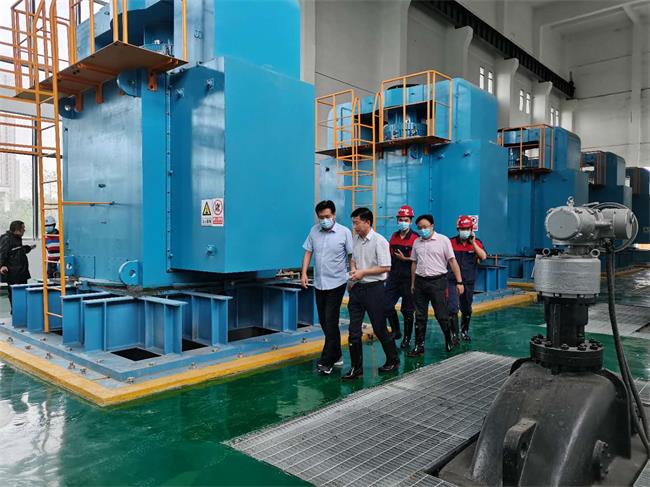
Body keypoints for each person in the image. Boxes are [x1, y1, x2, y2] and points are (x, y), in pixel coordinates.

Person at [344, 207, 399, 380]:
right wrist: (354, 272)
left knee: (379, 328)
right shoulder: (355, 239)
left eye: (356, 223)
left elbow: (385, 267)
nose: (354, 226)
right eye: (353, 223)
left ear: (367, 222)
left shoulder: (379, 241)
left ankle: (393, 359)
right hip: (357, 289)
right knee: (353, 331)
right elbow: (353, 259)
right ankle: (356, 369)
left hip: (375, 289)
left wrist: (363, 272)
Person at [301, 200, 354, 375]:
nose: (324, 220)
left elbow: (351, 255)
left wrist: (352, 275)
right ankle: (337, 355)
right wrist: (304, 273)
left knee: (331, 320)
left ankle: (327, 360)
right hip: (320, 283)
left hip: (337, 282)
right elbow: (308, 252)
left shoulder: (344, 232)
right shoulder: (314, 231)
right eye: (321, 217)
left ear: (334, 215)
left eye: (327, 216)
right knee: (324, 321)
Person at [409, 214, 464, 355]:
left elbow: (452, 261)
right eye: (419, 227)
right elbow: (414, 263)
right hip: (420, 282)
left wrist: (459, 282)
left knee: (441, 314)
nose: (422, 230)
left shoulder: (443, 240)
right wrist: (413, 283)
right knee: (419, 316)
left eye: (425, 227)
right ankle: (419, 346)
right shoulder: (416, 242)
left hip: (438, 282)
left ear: (432, 226)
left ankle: (448, 339)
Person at [447, 215, 487, 342]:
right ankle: (454, 335)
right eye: (462, 229)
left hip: (468, 281)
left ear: (471, 230)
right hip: (452, 281)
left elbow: (483, 257)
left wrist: (473, 243)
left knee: (466, 308)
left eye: (467, 229)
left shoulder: (477, 243)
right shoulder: (450, 242)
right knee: (452, 307)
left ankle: (464, 331)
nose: (464, 231)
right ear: (458, 229)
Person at [385, 205, 418, 349]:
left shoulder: (416, 238)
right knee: (386, 305)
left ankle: (407, 338)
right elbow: (390, 256)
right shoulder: (394, 236)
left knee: (407, 311)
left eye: (406, 220)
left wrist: (405, 259)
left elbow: (419, 260)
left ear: (411, 221)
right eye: (400, 220)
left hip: (409, 279)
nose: (403, 222)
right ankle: (396, 331)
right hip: (394, 277)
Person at [0, 221, 35, 312]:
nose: (24, 230)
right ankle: (15, 312)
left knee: (21, 292)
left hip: (21, 272)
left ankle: (20, 312)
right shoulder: (6, 239)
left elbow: (17, 251)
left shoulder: (16, 238)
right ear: (17, 230)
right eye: (23, 228)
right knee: (14, 293)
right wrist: (2, 266)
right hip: (13, 273)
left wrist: (29, 248)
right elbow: (2, 254)